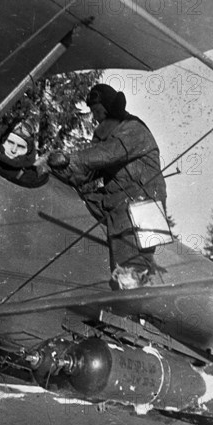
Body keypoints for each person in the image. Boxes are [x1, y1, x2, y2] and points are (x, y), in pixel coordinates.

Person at [46, 83, 167, 289]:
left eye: (97, 110)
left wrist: (70, 158)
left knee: (132, 268)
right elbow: (89, 172)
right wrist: (60, 170)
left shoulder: (133, 128)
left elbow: (107, 153)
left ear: (109, 106)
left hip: (145, 206)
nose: (94, 117)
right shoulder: (109, 135)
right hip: (120, 203)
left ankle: (134, 310)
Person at [0, 120, 49, 188]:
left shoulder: (31, 180)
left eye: (20, 146)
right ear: (2, 141)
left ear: (28, 151)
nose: (13, 150)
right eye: (10, 142)